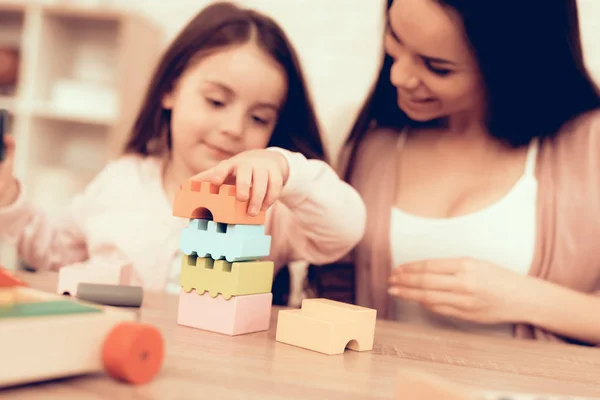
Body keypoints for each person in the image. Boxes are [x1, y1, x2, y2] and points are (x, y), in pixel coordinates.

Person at [0, 2, 366, 294]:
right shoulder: (122, 179)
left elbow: (344, 230)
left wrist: (285, 168)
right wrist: (8, 197)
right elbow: (55, 252)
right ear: (170, 89)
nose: (234, 129)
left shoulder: (267, 204)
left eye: (259, 118)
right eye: (216, 101)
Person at [340, 0, 600, 346]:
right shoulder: (373, 143)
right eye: (396, 38)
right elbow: (334, 287)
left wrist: (526, 299)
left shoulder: (588, 145)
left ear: (509, 65)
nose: (398, 76)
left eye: (437, 67)